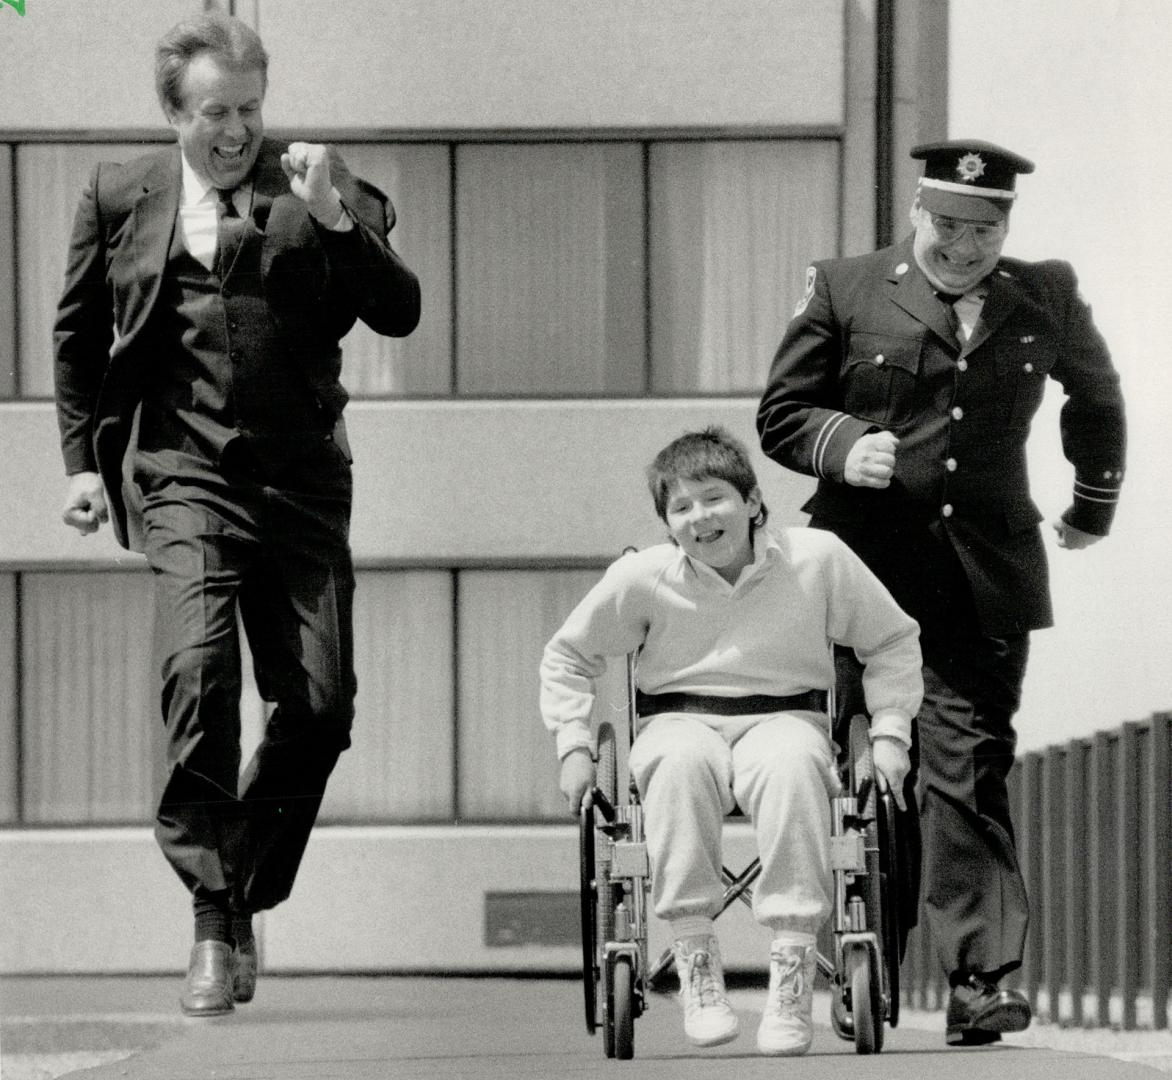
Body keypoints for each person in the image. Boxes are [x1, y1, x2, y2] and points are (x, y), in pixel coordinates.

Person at [52, 12, 420, 1017]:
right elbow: (81, 342)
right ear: (173, 113)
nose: (235, 131)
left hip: (301, 481)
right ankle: (215, 913)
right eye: (214, 112)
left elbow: (398, 311)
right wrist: (83, 466)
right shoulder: (118, 194)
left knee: (320, 705)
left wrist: (337, 219)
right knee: (197, 669)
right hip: (181, 476)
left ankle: (245, 878)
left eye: (249, 109)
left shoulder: (318, 182)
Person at [757, 140, 1126, 1045]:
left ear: (1008, 225)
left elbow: (1097, 396)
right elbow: (780, 413)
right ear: (918, 214)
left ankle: (979, 982)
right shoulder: (843, 286)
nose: (965, 246)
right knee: (873, 770)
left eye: (986, 228)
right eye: (950, 225)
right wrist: (843, 445)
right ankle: (866, 960)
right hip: (863, 578)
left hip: (984, 578)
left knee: (969, 772)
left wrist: (1091, 500)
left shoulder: (1046, 292)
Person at [540, 426, 922, 1056]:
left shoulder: (817, 558)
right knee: (676, 762)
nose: (699, 518)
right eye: (680, 508)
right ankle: (695, 960)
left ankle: (793, 975)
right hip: (679, 719)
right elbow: (567, 656)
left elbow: (891, 640)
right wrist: (574, 746)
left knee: (797, 764)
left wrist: (888, 734)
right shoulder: (644, 576)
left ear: (751, 502)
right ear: (667, 524)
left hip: (787, 717)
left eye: (713, 498)